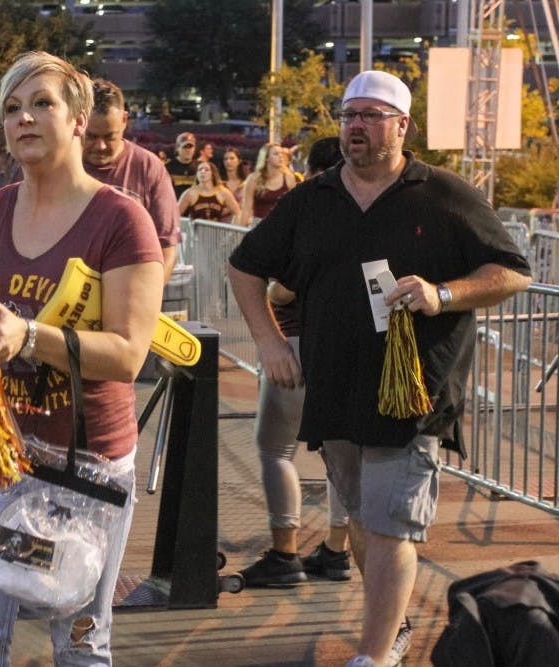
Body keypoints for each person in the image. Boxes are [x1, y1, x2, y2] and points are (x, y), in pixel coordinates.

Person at [227, 69, 532, 667]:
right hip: (334, 387)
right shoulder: (312, 199)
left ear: (402, 125)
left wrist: (442, 294)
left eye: (369, 115)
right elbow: (244, 267)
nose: (354, 127)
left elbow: (511, 271)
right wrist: (268, 343)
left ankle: (374, 655)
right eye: (347, 116)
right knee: (365, 520)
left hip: (413, 393)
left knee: (391, 523)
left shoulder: (442, 193)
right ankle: (389, 624)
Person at [0, 51, 163, 665]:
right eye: (11, 109)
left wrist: (26, 336)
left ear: (79, 119)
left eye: (41, 104)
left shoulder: (121, 220)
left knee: (78, 642)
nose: (24, 118)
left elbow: (129, 354)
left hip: (79, 474)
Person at [235, 136, 353, 589]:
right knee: (340, 454)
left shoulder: (309, 214)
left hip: (296, 344)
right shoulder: (370, 216)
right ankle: (336, 551)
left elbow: (281, 290)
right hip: (344, 347)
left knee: (275, 449)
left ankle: (285, 553)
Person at [82, 77, 181, 282]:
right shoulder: (56, 165)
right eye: (91, 137)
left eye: (109, 137)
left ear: (124, 120)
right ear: (78, 121)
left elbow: (167, 248)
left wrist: (144, 302)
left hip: (129, 291)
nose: (100, 147)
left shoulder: (148, 168)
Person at [238, 142, 300, 227]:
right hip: (259, 225)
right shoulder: (254, 179)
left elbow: (294, 208)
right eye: (276, 154)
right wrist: (239, 233)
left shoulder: (288, 178)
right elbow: (246, 209)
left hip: (281, 226)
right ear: (266, 158)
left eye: (281, 153)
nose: (280, 156)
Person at [165, 131, 198, 198]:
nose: (188, 150)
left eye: (191, 147)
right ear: (177, 148)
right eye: (185, 147)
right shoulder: (168, 167)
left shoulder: (199, 167)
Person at [221, 147, 249, 212]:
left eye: (232, 158)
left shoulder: (246, 183)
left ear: (239, 161)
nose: (228, 161)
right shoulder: (219, 184)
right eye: (226, 159)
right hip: (221, 221)